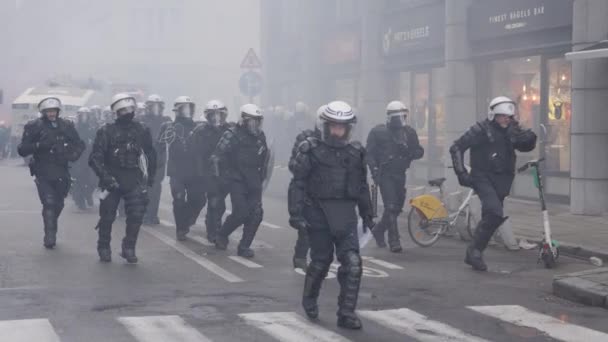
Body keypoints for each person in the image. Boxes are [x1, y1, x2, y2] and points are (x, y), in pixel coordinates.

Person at [288, 101, 375, 329]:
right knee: (321, 261)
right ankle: (309, 299)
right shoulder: (310, 149)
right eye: (334, 126)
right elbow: (297, 183)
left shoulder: (356, 152)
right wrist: (296, 214)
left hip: (346, 216)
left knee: (354, 264)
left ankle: (346, 313)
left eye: (342, 127)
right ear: (326, 126)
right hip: (318, 214)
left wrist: (367, 212)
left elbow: (362, 186)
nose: (338, 131)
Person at [450, 96, 537, 271]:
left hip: (503, 180)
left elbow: (525, 145)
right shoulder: (480, 129)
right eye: (503, 116)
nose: (507, 119)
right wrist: (461, 173)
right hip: (482, 177)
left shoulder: (512, 129)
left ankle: (474, 252)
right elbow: (457, 147)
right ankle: (474, 251)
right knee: (495, 212)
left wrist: (528, 136)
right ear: (493, 115)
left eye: (509, 116)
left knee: (491, 217)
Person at [89, 93, 157, 263]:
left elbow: (150, 155)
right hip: (111, 179)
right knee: (107, 216)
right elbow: (95, 158)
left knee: (136, 214)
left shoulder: (142, 130)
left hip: (133, 178)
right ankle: (103, 246)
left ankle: (129, 247)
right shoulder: (106, 131)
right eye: (123, 110)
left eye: (130, 109)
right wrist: (106, 178)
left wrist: (149, 177)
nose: (128, 112)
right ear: (117, 112)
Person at [17, 97, 85, 248]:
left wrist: (71, 155)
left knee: (59, 203)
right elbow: (22, 149)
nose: (51, 113)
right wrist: (39, 144)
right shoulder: (34, 126)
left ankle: (52, 225)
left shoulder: (66, 125)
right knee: (48, 202)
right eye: (48, 111)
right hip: (43, 170)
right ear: (43, 112)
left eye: (54, 110)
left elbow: (79, 144)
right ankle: (50, 235)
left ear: (58, 111)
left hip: (62, 170)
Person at [366, 101, 424, 253]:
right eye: (399, 116)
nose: (402, 119)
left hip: (400, 173)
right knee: (390, 206)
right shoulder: (378, 132)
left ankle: (379, 230)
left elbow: (418, 151)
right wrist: (374, 170)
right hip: (385, 174)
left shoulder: (409, 132)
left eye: (404, 116)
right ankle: (394, 240)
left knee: (397, 208)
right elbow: (369, 154)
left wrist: (409, 152)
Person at [212, 104, 269, 258]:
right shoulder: (232, 134)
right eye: (253, 121)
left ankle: (244, 247)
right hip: (236, 179)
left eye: (258, 121)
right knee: (241, 212)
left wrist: (262, 177)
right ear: (244, 120)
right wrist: (223, 178)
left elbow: (265, 160)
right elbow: (217, 157)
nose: (256, 125)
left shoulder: (260, 137)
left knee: (256, 213)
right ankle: (222, 235)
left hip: (254, 180)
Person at [158, 96, 204, 241]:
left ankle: (188, 219)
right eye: (184, 108)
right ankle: (181, 229)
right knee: (178, 199)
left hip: (194, 170)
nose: (188, 111)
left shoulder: (198, 127)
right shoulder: (169, 127)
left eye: (190, 107)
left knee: (199, 199)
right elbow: (158, 146)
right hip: (176, 170)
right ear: (177, 110)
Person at [286, 104, 326, 270]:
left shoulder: (342, 145)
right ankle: (300, 256)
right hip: (310, 190)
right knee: (307, 228)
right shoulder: (305, 139)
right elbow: (294, 166)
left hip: (331, 194)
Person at [188, 99, 233, 243]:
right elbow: (194, 153)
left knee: (219, 203)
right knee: (215, 201)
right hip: (208, 172)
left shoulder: (231, 130)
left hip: (226, 171)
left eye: (219, 114)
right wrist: (198, 173)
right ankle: (213, 231)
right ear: (208, 116)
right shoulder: (200, 131)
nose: (216, 118)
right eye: (213, 115)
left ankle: (212, 223)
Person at [139, 94, 171, 225]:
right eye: (153, 106)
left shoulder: (167, 120)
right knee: (144, 187)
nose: (156, 109)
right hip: (143, 159)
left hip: (159, 159)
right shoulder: (140, 120)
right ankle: (144, 213)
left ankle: (153, 214)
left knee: (156, 188)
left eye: (159, 106)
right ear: (148, 107)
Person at [71, 107, 98, 210]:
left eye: (86, 115)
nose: (84, 117)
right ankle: (80, 200)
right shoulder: (74, 128)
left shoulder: (92, 128)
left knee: (93, 181)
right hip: (78, 159)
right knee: (79, 181)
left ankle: (88, 194)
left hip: (90, 158)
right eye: (82, 115)